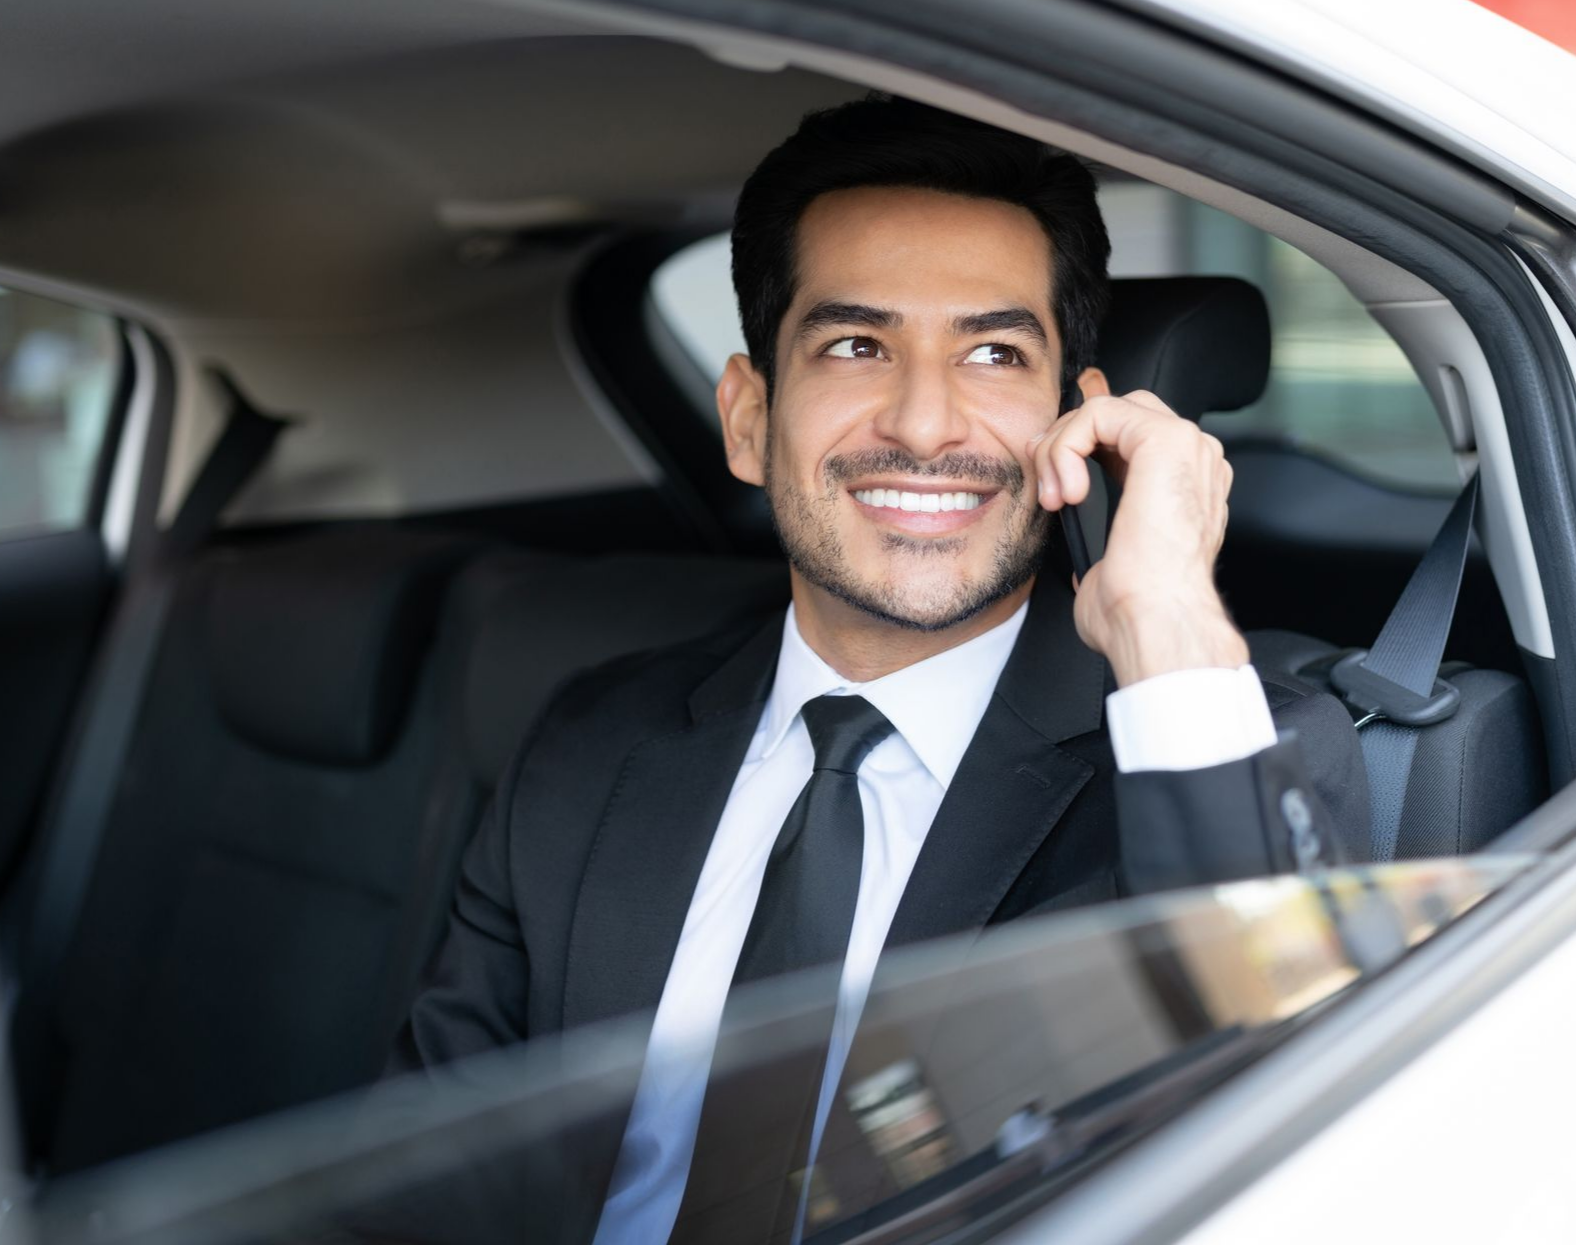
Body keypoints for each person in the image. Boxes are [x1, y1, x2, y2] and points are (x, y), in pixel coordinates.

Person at [387, 95, 1368, 1244]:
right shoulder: (591, 741)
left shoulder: (1206, 753)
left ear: (1079, 422)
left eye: (995, 352)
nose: (923, 421)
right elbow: (420, 1195)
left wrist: (1161, 614)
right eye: (857, 344)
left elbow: (1289, 1154)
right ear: (750, 418)